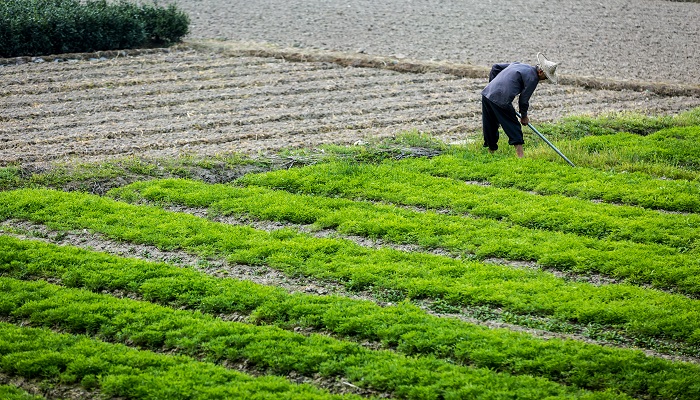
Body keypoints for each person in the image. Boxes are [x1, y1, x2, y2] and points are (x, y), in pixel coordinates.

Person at [481, 52, 559, 158]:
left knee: (490, 123)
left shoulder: (520, 65)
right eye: (545, 77)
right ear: (540, 72)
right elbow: (523, 100)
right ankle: (520, 156)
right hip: (501, 99)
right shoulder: (533, 78)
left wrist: (492, 85)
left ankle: (491, 152)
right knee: (513, 125)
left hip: (486, 94)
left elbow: (495, 67)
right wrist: (524, 116)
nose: (544, 80)